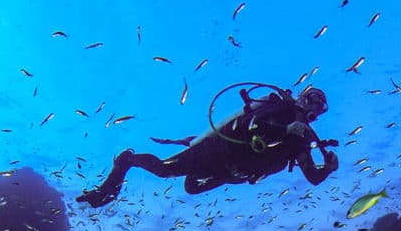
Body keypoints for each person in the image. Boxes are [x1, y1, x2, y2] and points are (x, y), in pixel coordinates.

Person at [76, 84, 339, 207]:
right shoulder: (279, 107)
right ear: (302, 96)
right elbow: (252, 126)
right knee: (165, 170)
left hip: (235, 173)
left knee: (191, 187)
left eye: (318, 105)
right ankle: (120, 170)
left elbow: (313, 177)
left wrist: (328, 168)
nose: (312, 106)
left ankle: (120, 174)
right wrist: (284, 128)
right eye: (310, 98)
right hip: (217, 149)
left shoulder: (304, 139)